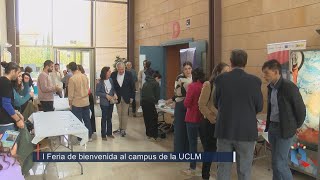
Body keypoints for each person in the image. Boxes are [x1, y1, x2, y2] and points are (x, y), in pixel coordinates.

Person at [214, 49, 263, 180]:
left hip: (224, 130)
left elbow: (215, 103)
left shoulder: (220, 80)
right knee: (244, 170)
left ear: (231, 62)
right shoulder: (255, 81)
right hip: (246, 132)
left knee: (223, 169)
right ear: (245, 63)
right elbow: (259, 106)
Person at [262, 59, 306, 180]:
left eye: (267, 73)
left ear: (276, 72)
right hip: (273, 128)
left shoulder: (289, 87)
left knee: (280, 163)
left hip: (285, 130)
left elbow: (301, 110)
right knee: (275, 162)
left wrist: (296, 126)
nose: (264, 76)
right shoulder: (270, 87)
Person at [198, 63, 230, 180]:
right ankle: (205, 176)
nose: (228, 74)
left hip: (224, 124)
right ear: (218, 72)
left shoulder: (228, 86)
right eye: (225, 71)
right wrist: (212, 118)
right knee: (209, 151)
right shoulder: (209, 84)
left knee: (222, 151)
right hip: (210, 123)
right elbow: (201, 105)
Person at [183, 68, 205, 176]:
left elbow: (186, 103)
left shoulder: (192, 86)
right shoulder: (205, 86)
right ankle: (205, 169)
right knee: (205, 144)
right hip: (203, 119)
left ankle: (192, 167)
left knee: (193, 144)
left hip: (191, 118)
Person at [171, 61, 193, 152]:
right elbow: (178, 93)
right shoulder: (179, 78)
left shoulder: (194, 78)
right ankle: (179, 152)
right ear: (183, 70)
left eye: (189, 68)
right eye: (185, 69)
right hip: (181, 104)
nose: (188, 71)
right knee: (180, 130)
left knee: (188, 130)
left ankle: (187, 152)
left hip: (190, 105)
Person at [68, 62, 92, 141]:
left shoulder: (72, 79)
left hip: (77, 103)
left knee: (78, 121)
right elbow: (87, 88)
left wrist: (70, 103)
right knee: (87, 119)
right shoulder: (85, 76)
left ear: (71, 69)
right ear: (77, 68)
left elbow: (70, 94)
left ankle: (81, 138)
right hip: (86, 101)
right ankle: (89, 136)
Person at [111, 62, 135, 137]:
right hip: (117, 98)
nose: (121, 71)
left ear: (124, 68)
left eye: (122, 69)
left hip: (126, 97)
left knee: (124, 114)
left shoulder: (129, 74)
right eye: (119, 69)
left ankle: (123, 129)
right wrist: (114, 93)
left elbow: (132, 86)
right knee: (119, 113)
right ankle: (120, 128)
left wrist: (132, 97)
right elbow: (112, 86)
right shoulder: (113, 74)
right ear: (117, 68)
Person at [0, 62, 25, 134]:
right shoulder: (6, 83)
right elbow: (6, 104)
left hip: (3, 121)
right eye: (18, 73)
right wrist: (18, 120)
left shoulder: (2, 81)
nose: (18, 75)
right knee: (10, 145)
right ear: (13, 71)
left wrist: (16, 112)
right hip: (6, 122)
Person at [96, 67, 117, 141]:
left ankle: (109, 133)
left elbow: (113, 89)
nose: (110, 72)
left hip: (111, 102)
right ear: (105, 72)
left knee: (109, 117)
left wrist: (115, 94)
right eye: (109, 71)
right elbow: (97, 92)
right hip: (104, 103)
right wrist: (105, 95)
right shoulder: (100, 82)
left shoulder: (111, 80)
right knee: (104, 118)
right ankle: (103, 135)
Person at [141, 71, 161, 140]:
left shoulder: (145, 82)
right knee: (154, 118)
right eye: (159, 79)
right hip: (150, 103)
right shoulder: (156, 83)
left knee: (147, 119)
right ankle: (154, 135)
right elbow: (157, 96)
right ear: (156, 78)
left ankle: (148, 134)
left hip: (143, 103)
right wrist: (156, 102)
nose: (159, 81)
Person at [77, 64, 97, 134]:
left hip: (87, 96)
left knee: (89, 114)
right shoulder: (82, 76)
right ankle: (89, 131)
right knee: (87, 115)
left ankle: (90, 131)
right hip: (87, 95)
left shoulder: (82, 77)